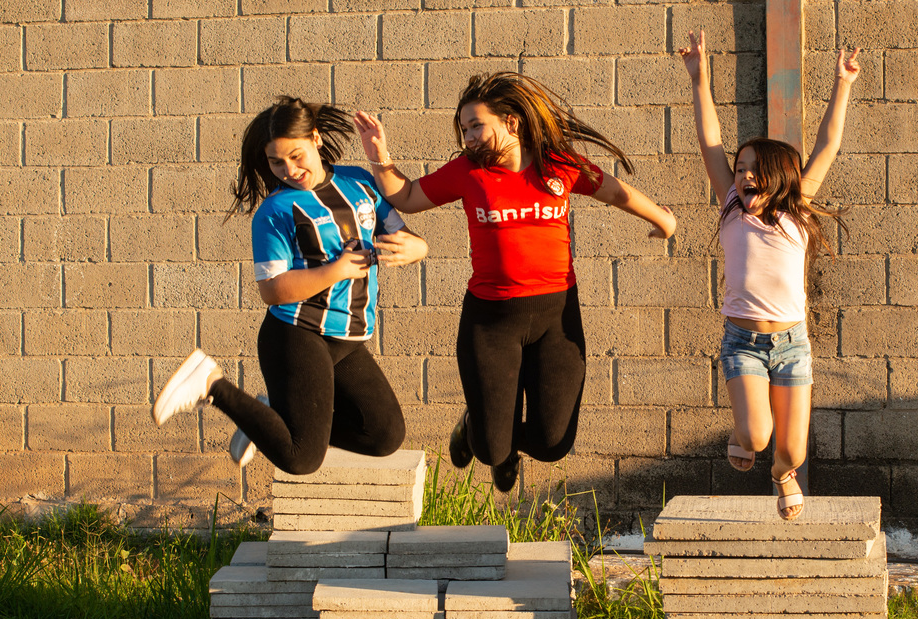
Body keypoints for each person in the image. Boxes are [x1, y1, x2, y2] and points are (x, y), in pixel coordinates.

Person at [353, 73, 676, 492]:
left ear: (512, 122)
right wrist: (380, 156)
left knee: (552, 443)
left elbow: (615, 193)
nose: (468, 137)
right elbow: (409, 197)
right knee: (488, 448)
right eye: (464, 128)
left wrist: (662, 218)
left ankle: (504, 443)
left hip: (556, 316)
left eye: (476, 126)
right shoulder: (469, 172)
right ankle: (483, 432)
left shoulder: (558, 166)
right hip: (491, 320)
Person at [151, 96, 427, 474]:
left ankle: (267, 417)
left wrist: (418, 247)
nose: (289, 170)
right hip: (297, 334)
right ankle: (213, 385)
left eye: (296, 156)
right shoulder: (276, 211)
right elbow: (273, 290)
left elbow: (401, 235)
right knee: (300, 457)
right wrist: (337, 270)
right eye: (276, 162)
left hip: (348, 337)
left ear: (315, 139)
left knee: (383, 435)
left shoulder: (359, 183)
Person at [679, 31, 860, 519]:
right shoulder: (733, 208)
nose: (743, 176)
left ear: (780, 176)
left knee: (793, 452)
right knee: (756, 436)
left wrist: (842, 83)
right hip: (742, 342)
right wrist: (699, 79)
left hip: (792, 344)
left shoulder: (797, 210)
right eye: (739, 169)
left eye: (755, 170)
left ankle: (783, 474)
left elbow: (828, 144)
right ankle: (743, 434)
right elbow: (709, 142)